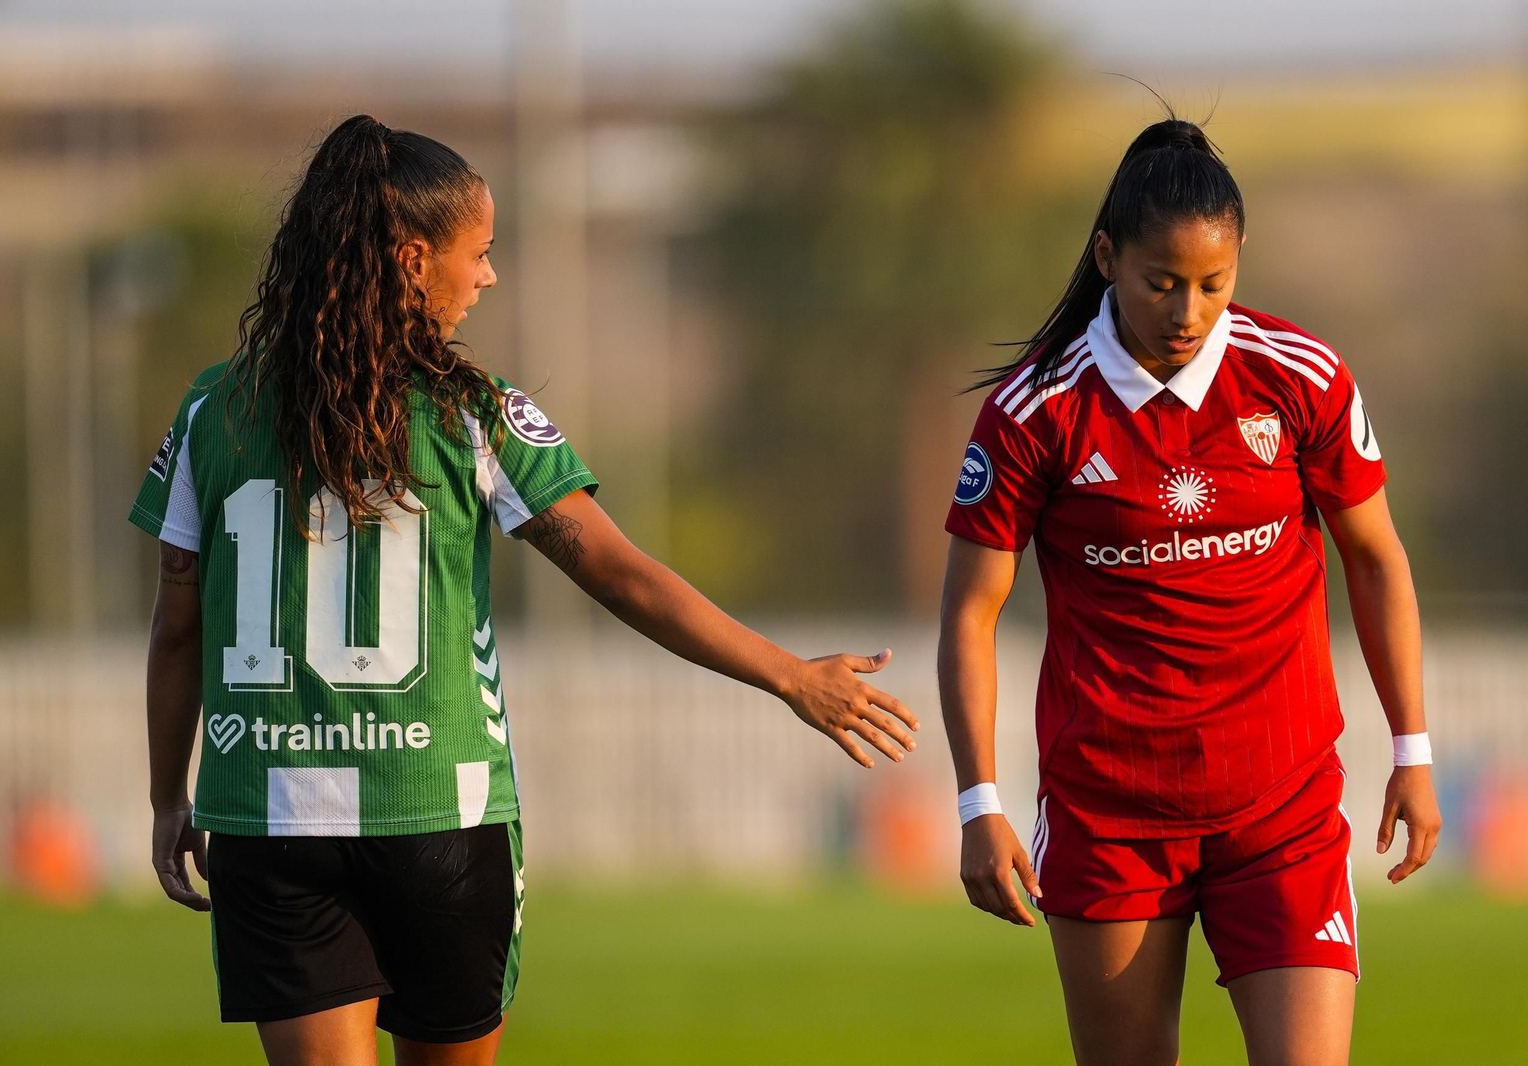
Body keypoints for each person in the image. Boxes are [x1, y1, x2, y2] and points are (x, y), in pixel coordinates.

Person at [131, 114, 919, 1066]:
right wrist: (791, 676)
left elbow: (177, 630)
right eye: (483, 254)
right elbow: (622, 574)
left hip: (266, 817)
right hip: (439, 811)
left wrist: (167, 798)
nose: (490, 277)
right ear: (415, 261)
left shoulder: (213, 408)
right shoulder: (475, 413)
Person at [937, 116, 1441, 1066]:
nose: (1189, 312)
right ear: (1106, 258)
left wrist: (1413, 749)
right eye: (1161, 283)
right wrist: (978, 802)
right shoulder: (1034, 412)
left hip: (1282, 809)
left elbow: (1376, 558)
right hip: (1110, 814)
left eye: (1214, 284)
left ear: (1240, 260)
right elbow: (971, 610)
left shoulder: (1301, 377)